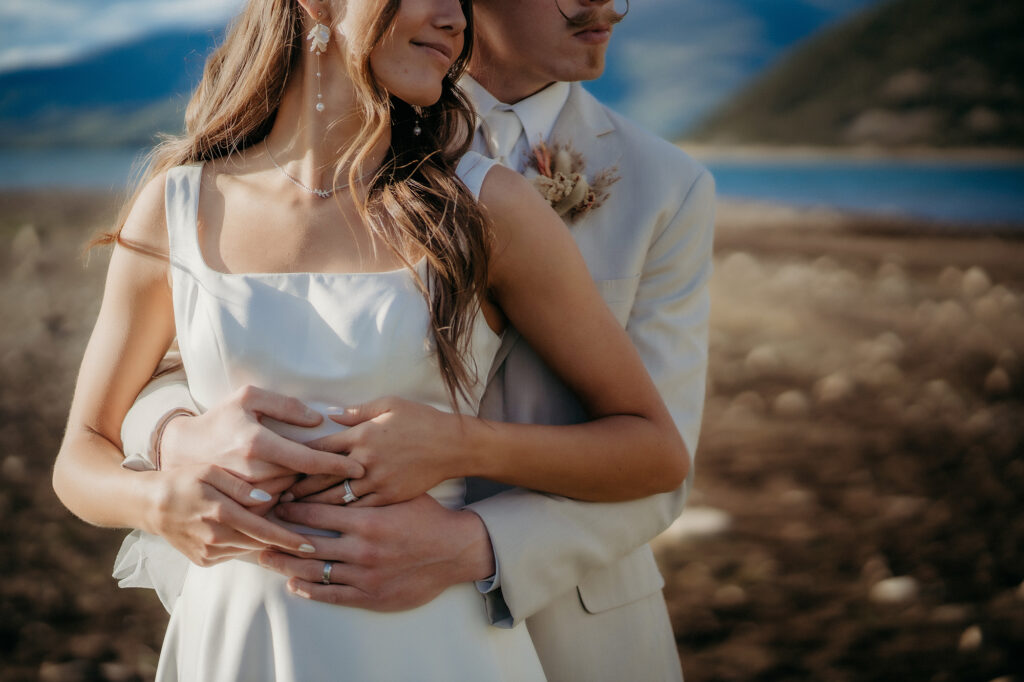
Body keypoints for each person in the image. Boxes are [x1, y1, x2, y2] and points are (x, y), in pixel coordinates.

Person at [52, 0, 693, 680]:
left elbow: (653, 450)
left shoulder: (484, 207)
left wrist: (457, 445)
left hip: (431, 641)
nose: (456, 21)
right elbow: (80, 456)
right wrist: (160, 502)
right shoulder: (177, 204)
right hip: (237, 639)